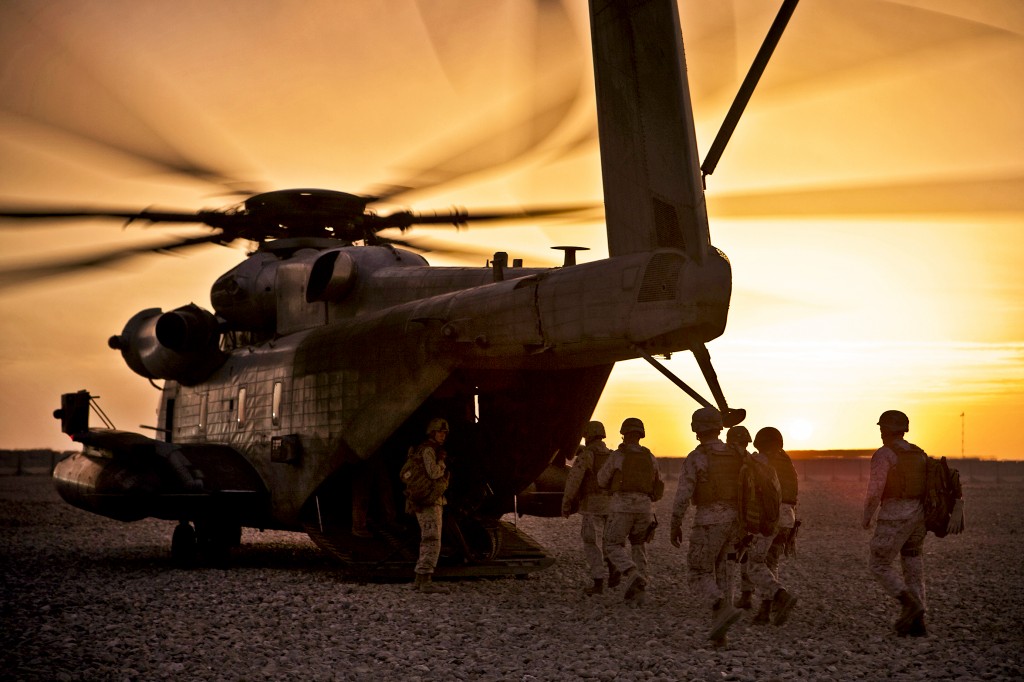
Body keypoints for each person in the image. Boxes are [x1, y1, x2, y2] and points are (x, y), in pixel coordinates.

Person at [670, 407, 745, 646]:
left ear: (696, 429)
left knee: (698, 572)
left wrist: (675, 523)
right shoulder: (737, 453)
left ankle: (722, 608)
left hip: (709, 521)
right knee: (724, 573)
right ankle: (721, 634)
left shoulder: (698, 456)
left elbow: (683, 494)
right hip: (736, 522)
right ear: (719, 427)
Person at [863, 409, 928, 636]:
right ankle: (918, 625)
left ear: (886, 430)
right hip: (919, 516)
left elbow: (875, 491)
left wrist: (867, 516)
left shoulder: (884, 454)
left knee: (878, 564)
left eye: (882, 428)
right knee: (912, 566)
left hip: (894, 515)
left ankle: (909, 603)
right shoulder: (919, 453)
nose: (881, 432)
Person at [598, 417, 664, 604]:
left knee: (612, 544)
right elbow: (657, 483)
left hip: (622, 506)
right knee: (638, 545)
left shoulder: (619, 455)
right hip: (645, 508)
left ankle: (631, 572)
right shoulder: (649, 456)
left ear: (624, 434)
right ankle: (640, 592)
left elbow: (602, 479)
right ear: (641, 434)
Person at [743, 427, 798, 626]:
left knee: (754, 565)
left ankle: (780, 595)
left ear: (759, 444)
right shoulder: (787, 462)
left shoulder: (760, 461)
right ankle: (764, 611)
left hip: (769, 518)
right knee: (770, 563)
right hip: (788, 519)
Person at [562, 421, 615, 595]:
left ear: (588, 435)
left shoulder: (586, 455)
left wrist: (567, 503)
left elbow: (574, 480)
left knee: (591, 541)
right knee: (610, 540)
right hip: (612, 504)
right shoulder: (612, 455)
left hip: (592, 504)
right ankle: (613, 565)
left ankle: (598, 581)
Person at [404, 417, 452, 594]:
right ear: (432, 433)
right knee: (432, 540)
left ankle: (419, 579)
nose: (443, 435)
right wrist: (442, 465)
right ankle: (426, 580)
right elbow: (432, 473)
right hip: (429, 502)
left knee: (427, 539)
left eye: (445, 433)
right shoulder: (430, 450)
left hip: (426, 500)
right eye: (440, 432)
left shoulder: (425, 449)